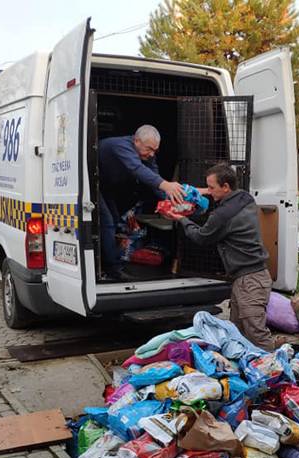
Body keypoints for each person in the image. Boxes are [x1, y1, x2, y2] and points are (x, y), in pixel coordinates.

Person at [164, 163, 275, 351]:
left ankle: (275, 370)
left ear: (225, 187)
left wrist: (181, 218)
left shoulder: (222, 215)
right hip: (249, 277)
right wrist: (203, 193)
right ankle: (250, 367)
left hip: (250, 281)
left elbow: (201, 236)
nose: (210, 191)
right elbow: (221, 201)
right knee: (237, 330)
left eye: (212, 188)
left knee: (256, 333)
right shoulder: (245, 198)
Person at [97, 125, 184, 279]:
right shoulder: (120, 145)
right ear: (136, 141)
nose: (151, 154)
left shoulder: (147, 153)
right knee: (107, 223)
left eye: (155, 151)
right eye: (149, 149)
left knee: (116, 220)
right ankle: (113, 269)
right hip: (92, 184)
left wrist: (168, 200)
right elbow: (137, 169)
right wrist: (166, 185)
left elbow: (153, 176)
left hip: (107, 187)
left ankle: (115, 259)